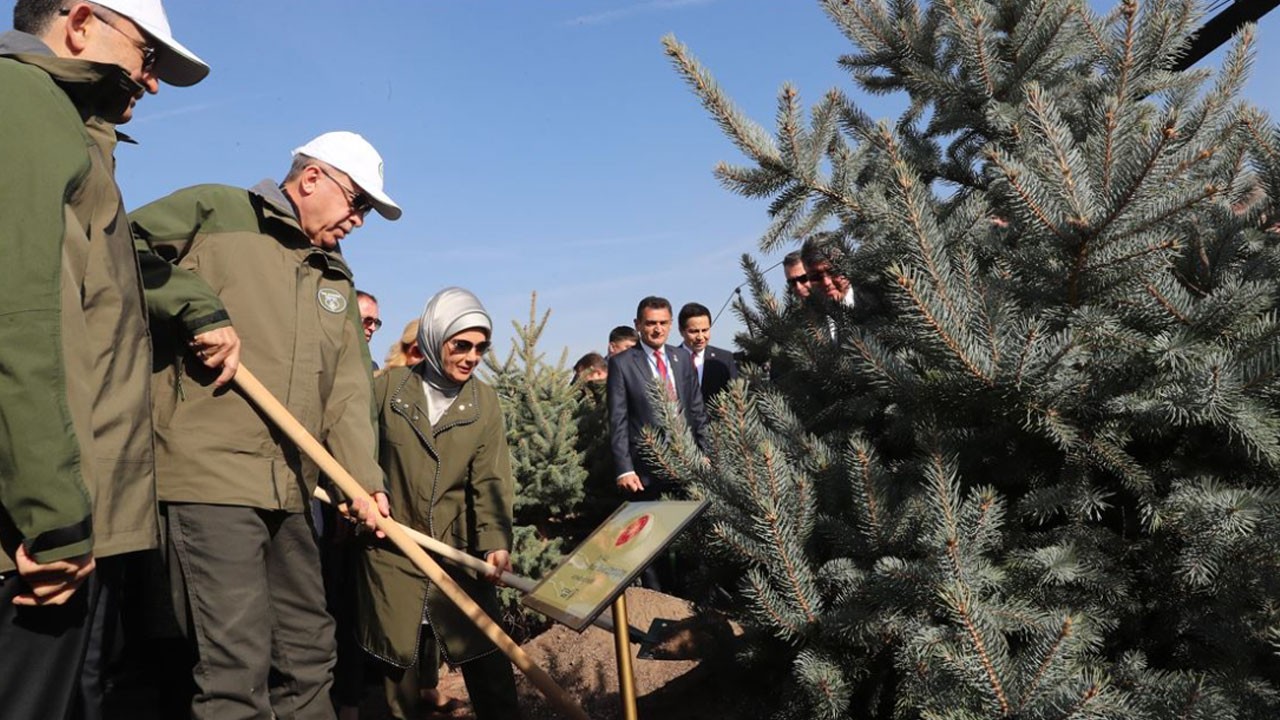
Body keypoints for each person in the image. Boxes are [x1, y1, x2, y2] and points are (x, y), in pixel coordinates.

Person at [129, 130, 398, 720]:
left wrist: (363, 480)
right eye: (356, 203)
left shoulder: (335, 275)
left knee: (309, 656)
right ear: (311, 179)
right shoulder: (217, 210)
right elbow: (119, 243)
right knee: (235, 670)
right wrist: (195, 306)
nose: (358, 221)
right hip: (210, 477)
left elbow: (349, 391)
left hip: (292, 488)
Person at [0, 2, 211, 718]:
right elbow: (22, 320)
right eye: (147, 56)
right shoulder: (25, 104)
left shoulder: (66, 129)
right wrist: (54, 514)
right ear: (82, 21)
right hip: (36, 543)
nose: (152, 84)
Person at [357, 287, 520, 720]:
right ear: (434, 338)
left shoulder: (483, 402)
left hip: (458, 552)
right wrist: (361, 494)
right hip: (393, 550)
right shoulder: (389, 389)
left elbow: (490, 479)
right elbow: (357, 450)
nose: (472, 357)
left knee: (490, 666)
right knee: (397, 678)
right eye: (461, 345)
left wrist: (494, 542)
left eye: (480, 348)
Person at [677, 302, 739, 401]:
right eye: (694, 331)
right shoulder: (670, 359)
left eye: (705, 330)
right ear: (681, 331)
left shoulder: (724, 359)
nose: (700, 337)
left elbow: (736, 397)